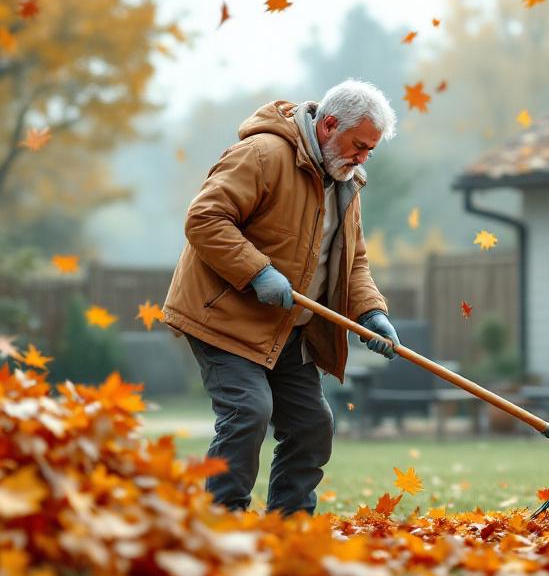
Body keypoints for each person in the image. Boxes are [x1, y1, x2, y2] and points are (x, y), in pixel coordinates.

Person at [162, 78, 402, 515]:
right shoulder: (262, 155)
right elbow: (204, 218)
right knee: (249, 412)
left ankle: (288, 525)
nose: (363, 158)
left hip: (288, 330)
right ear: (329, 125)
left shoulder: (346, 182)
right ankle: (223, 520)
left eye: (370, 150)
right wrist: (257, 271)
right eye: (359, 145)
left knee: (312, 425)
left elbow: (353, 260)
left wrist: (371, 312)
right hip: (225, 319)